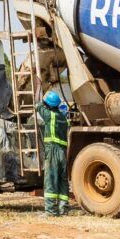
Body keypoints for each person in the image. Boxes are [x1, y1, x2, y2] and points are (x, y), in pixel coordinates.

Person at [39, 86, 70, 216]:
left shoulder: (49, 115)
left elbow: (38, 106)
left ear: (48, 105)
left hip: (52, 151)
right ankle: (63, 210)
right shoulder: (64, 117)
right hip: (63, 152)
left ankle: (51, 211)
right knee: (63, 181)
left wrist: (38, 88)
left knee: (50, 180)